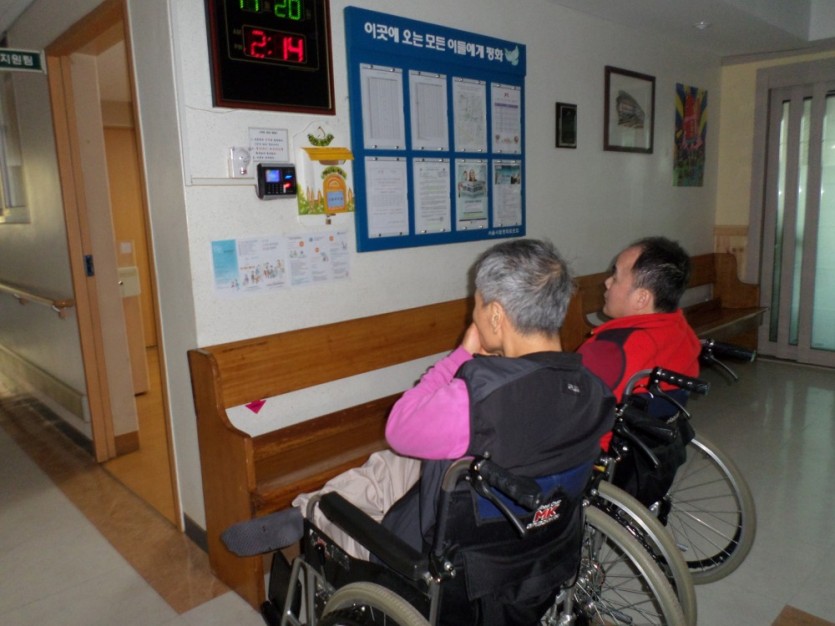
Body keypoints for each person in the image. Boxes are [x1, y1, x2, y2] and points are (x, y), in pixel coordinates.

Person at [222, 240, 615, 621]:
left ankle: (311, 511)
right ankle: (309, 506)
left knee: (370, 477)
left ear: (496, 315)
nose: (473, 316)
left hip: (440, 560)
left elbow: (399, 426)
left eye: (476, 305)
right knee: (398, 462)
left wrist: (461, 355)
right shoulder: (594, 391)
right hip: (539, 542)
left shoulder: (477, 402)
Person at [577, 236, 702, 504]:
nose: (607, 283)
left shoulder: (611, 349)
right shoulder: (679, 328)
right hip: (655, 444)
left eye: (616, 276)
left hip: (603, 456)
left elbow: (576, 415)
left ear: (642, 298)